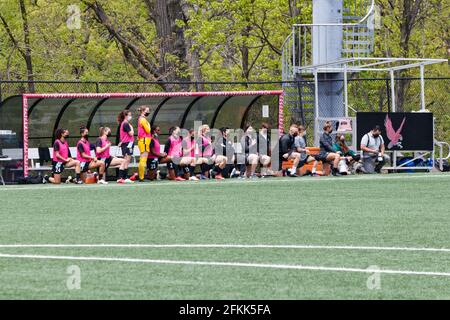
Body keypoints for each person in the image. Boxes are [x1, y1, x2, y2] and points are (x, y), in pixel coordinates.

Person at [117, 110, 134, 183]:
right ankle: (123, 177)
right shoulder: (126, 124)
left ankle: (123, 177)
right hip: (127, 143)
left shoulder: (123, 123)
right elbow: (131, 134)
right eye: (129, 115)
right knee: (126, 160)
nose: (130, 116)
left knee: (126, 160)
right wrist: (132, 127)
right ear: (126, 116)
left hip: (126, 143)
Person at [136, 106, 152, 182]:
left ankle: (141, 177)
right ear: (143, 111)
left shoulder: (142, 119)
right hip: (144, 140)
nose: (148, 112)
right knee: (143, 159)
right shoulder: (142, 119)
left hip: (143, 140)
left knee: (143, 158)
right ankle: (141, 177)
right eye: (147, 110)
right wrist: (149, 125)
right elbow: (148, 130)